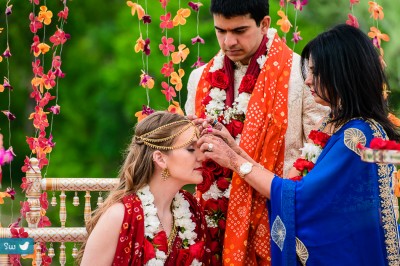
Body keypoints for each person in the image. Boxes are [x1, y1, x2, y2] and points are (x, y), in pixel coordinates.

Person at [198, 24, 400, 265]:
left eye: (316, 72)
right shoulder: (338, 124)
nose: (308, 81)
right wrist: (234, 149)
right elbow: (294, 186)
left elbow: (300, 196)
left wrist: (233, 161)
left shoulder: (357, 136)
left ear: (341, 73)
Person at [185, 0, 328, 264]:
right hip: (214, 217)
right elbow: (190, 156)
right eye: (221, 31)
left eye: (239, 31)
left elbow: (318, 153)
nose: (228, 42)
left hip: (281, 219)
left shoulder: (301, 76)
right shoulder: (199, 79)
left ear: (264, 24)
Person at [78, 111, 207, 265]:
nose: (202, 157)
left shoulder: (191, 209)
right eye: (191, 149)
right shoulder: (120, 216)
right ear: (160, 158)